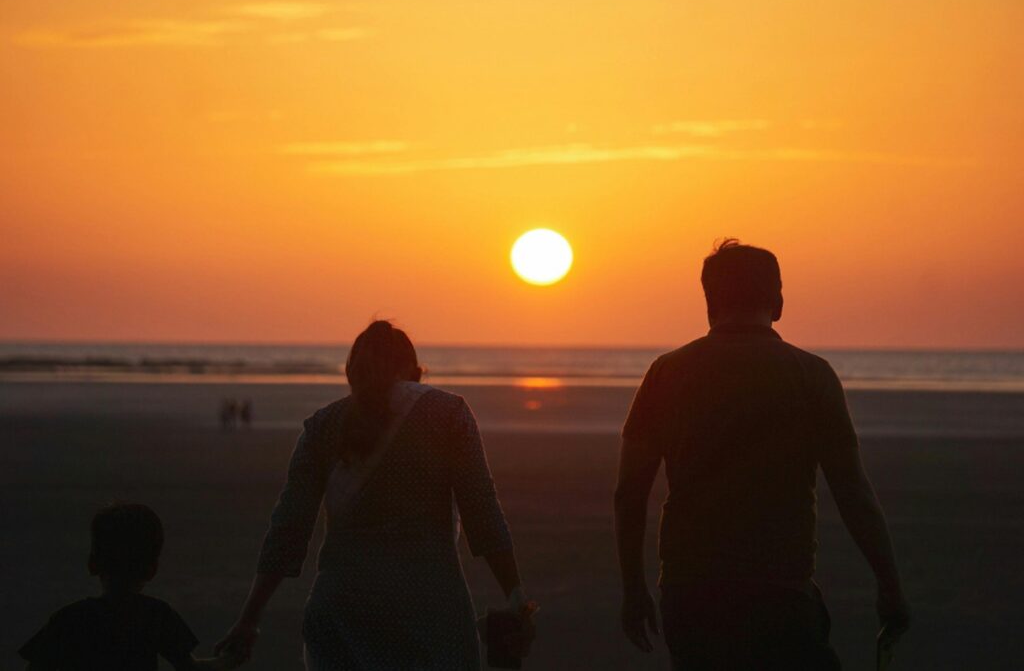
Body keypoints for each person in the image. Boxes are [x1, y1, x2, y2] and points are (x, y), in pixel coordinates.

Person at [614, 239, 910, 669]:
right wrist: (890, 585)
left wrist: (633, 588)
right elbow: (852, 492)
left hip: (691, 591)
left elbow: (628, 493)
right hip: (780, 592)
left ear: (710, 302)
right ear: (778, 302)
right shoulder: (812, 376)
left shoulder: (667, 373)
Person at [216, 320, 535, 669]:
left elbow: (288, 531)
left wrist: (250, 620)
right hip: (429, 613)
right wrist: (515, 593)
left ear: (353, 374)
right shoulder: (448, 413)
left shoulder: (322, 425)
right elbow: (482, 510)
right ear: (415, 371)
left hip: (339, 616)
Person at [19, 503, 242, 671]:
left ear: (92, 563)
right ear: (151, 569)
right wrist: (231, 658)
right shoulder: (156, 615)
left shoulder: (68, 619)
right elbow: (191, 668)